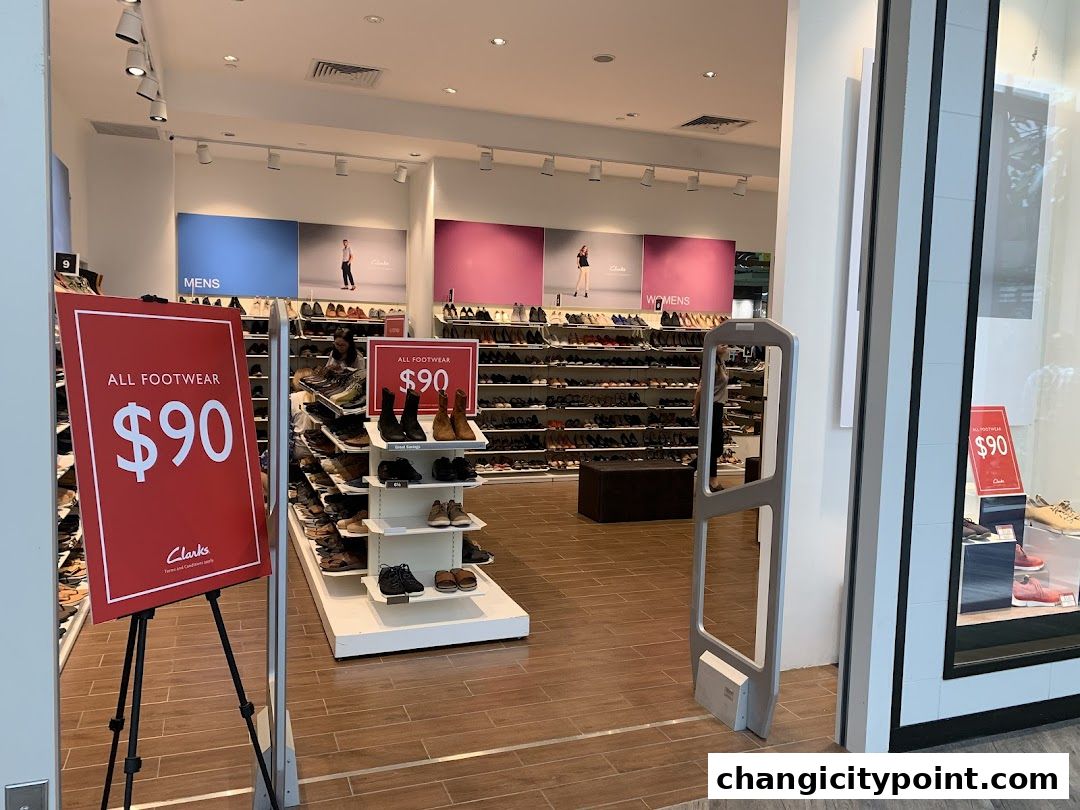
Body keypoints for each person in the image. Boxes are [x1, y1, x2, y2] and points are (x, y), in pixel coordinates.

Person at [692, 346, 730, 491]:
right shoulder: (711, 362)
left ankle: (710, 478)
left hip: (717, 407)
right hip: (709, 407)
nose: (725, 345)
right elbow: (700, 388)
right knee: (714, 447)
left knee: (714, 446)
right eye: (722, 343)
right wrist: (696, 406)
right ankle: (693, 471)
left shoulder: (720, 361)